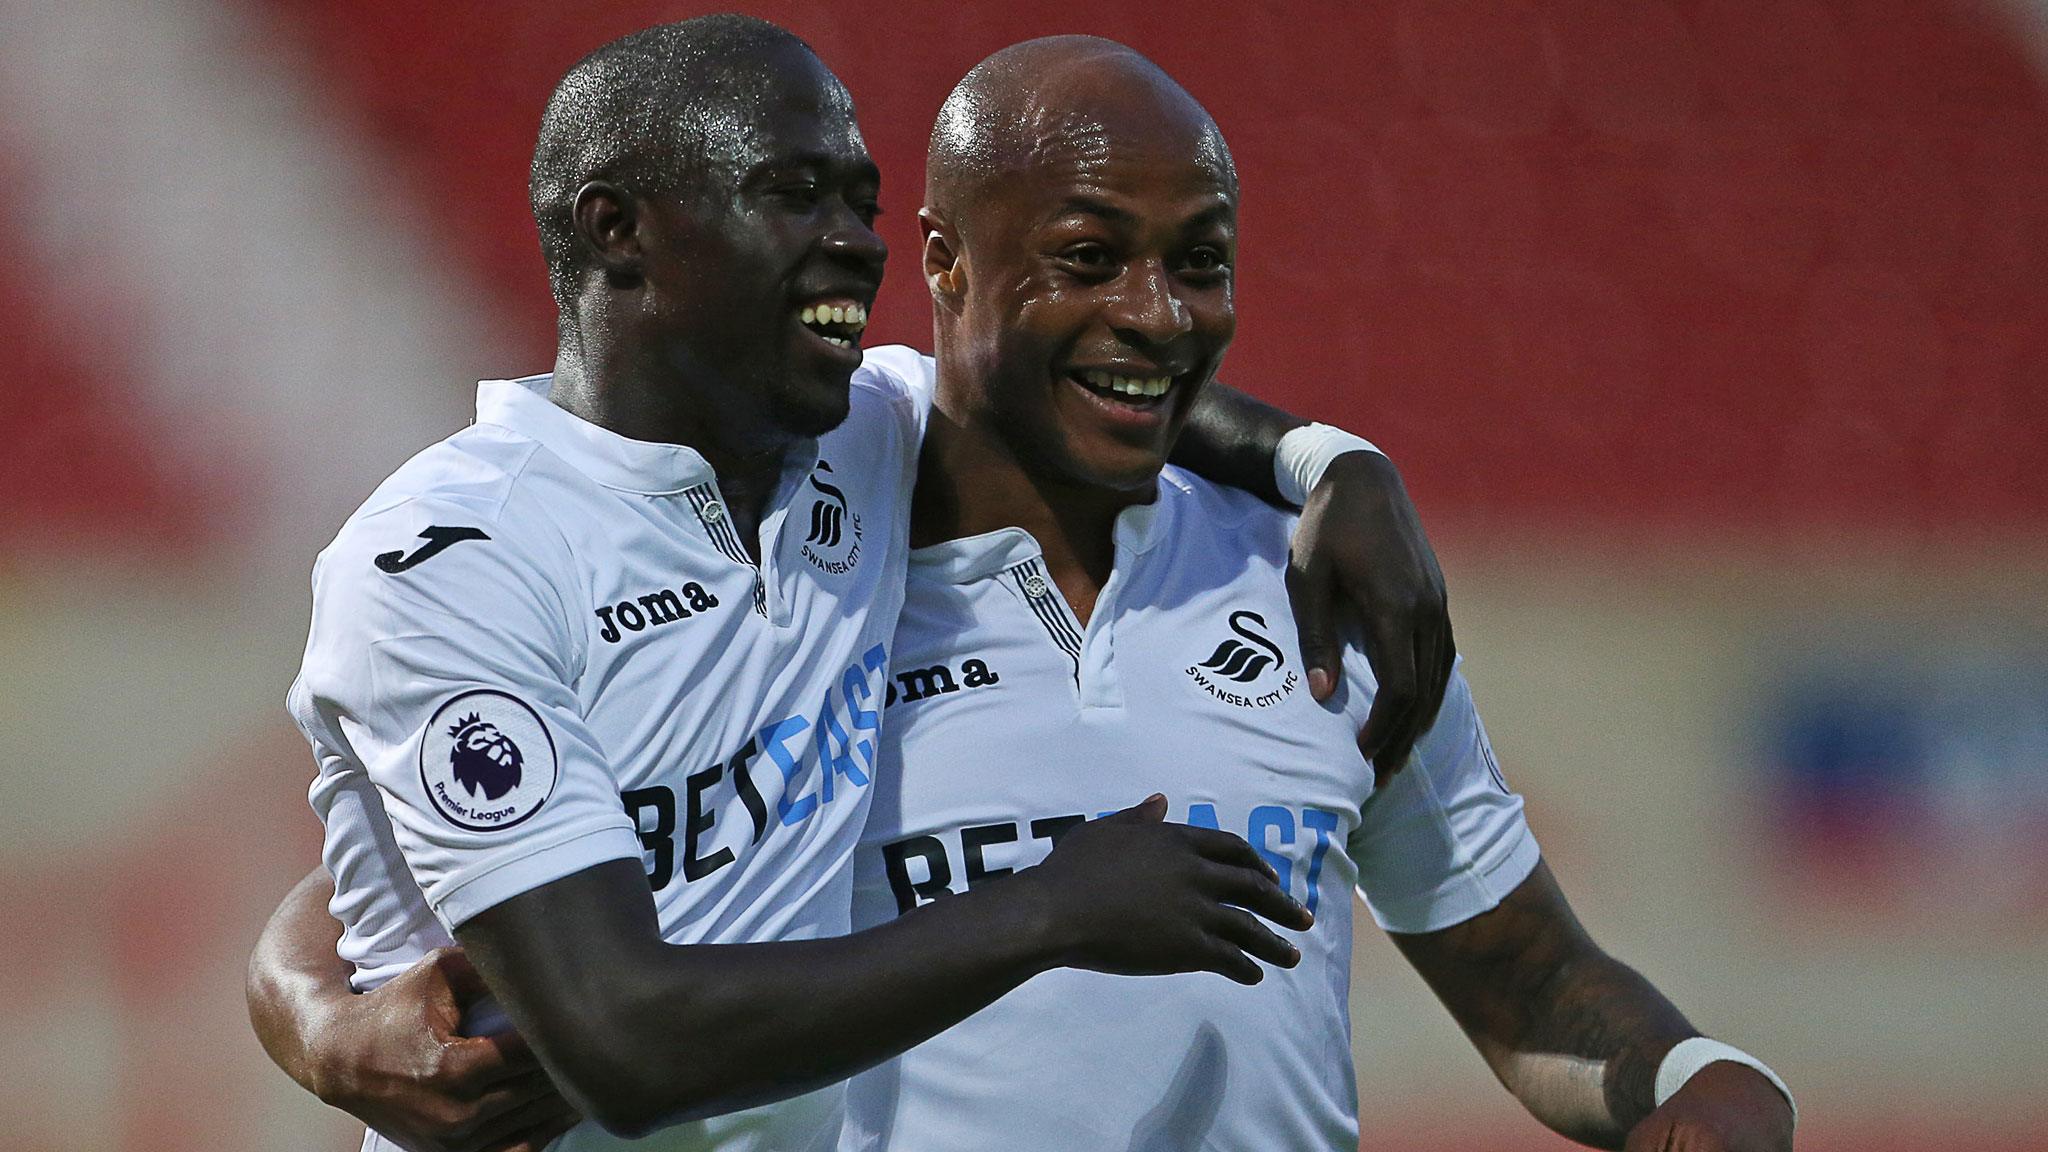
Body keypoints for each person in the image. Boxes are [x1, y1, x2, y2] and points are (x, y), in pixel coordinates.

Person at [258, 31, 1800, 1152]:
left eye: (1199, 260)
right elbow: (468, 907)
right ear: (954, 264)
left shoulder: (1312, 585)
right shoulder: (607, 528)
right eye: (1088, 253)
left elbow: (1526, 975)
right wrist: (316, 1016)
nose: (845, 247)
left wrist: (1335, 461)